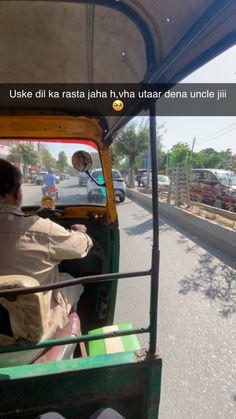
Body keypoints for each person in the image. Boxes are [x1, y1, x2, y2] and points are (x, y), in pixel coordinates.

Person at [0, 158, 93, 364]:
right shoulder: (40, 229)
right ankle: (69, 350)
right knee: (71, 281)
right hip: (25, 346)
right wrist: (81, 233)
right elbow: (80, 247)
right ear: (17, 193)